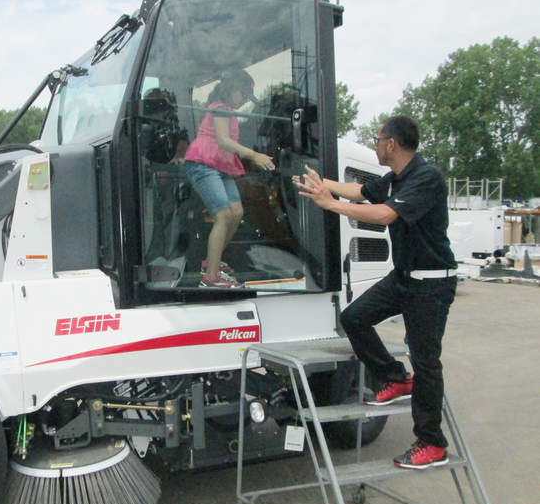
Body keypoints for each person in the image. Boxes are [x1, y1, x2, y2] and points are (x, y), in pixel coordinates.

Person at [294, 115, 457, 470]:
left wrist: (330, 204)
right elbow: (361, 191)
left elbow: (384, 215)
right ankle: (395, 377)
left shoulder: (425, 178)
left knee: (426, 360)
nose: (376, 143)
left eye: (378, 138)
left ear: (392, 144)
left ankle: (432, 443)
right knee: (354, 317)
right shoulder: (397, 177)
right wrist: (322, 184)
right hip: (405, 277)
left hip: (431, 282)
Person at [184, 69, 275, 288]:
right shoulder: (220, 108)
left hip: (220, 166)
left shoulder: (229, 112)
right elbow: (224, 141)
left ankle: (212, 262)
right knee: (223, 216)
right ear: (232, 89)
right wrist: (254, 155)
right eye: (243, 95)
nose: (244, 101)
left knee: (237, 213)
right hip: (203, 164)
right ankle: (210, 278)